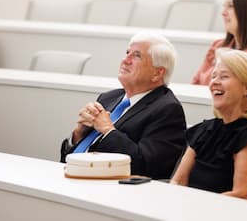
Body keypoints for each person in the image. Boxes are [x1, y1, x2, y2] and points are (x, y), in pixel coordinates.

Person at [60, 32, 187, 180]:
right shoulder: (108, 97)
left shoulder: (167, 109)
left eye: (137, 56)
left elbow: (147, 167)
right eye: (127, 53)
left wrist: (108, 130)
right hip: (73, 175)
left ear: (157, 73)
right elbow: (67, 157)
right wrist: (78, 134)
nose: (125, 60)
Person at [171, 49, 247, 202]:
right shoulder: (205, 130)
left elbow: (242, 196)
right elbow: (178, 181)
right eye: (213, 76)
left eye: (224, 77)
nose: (214, 82)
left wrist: (194, 207)